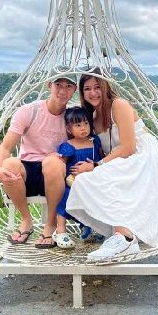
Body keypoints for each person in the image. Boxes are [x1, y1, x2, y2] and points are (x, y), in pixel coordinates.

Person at [66, 72, 158, 262]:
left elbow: (128, 146)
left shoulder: (119, 105)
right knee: (85, 179)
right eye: (87, 89)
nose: (93, 92)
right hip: (118, 159)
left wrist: (96, 165)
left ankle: (124, 237)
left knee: (106, 176)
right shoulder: (91, 117)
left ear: (105, 87)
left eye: (97, 87)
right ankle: (123, 236)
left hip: (143, 156)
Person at [0, 76, 77, 247]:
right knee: (9, 164)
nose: (62, 91)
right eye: (58, 85)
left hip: (55, 175)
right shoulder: (30, 111)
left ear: (74, 90)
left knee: (52, 162)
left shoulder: (72, 116)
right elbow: (6, 147)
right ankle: (26, 220)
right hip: (28, 170)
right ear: (49, 86)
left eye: (68, 86)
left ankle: (51, 223)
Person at [53, 106, 103, 249]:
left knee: (96, 196)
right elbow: (61, 166)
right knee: (67, 196)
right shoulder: (68, 146)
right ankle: (61, 229)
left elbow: (102, 159)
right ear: (69, 129)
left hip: (93, 181)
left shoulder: (95, 142)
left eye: (86, 123)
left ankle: (88, 226)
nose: (83, 128)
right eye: (78, 125)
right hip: (73, 182)